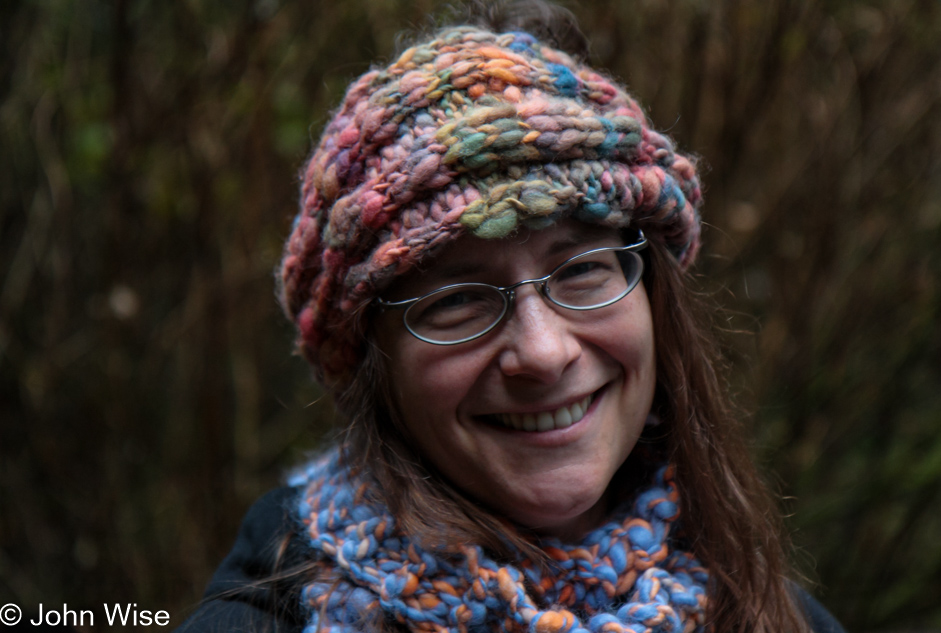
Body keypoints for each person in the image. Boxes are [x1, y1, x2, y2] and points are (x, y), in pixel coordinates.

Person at [178, 5, 846, 633]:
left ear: (652, 296)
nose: (545, 351)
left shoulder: (770, 608)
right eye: (457, 301)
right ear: (374, 365)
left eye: (582, 270)